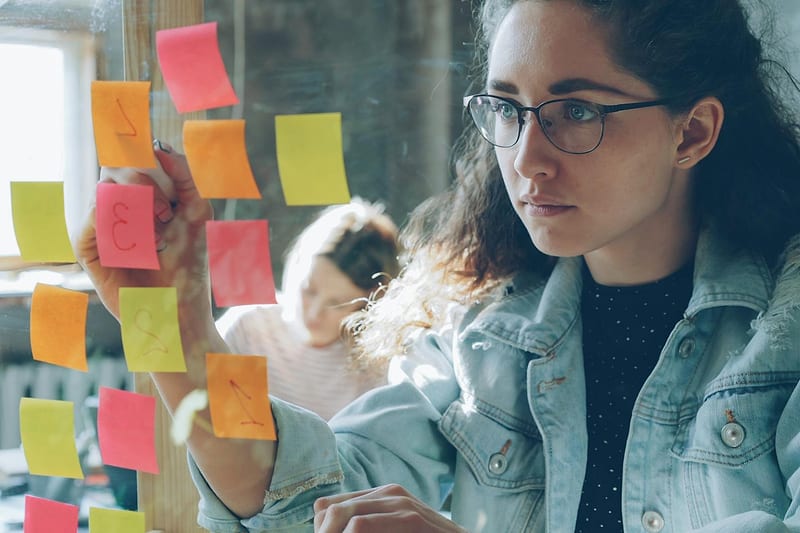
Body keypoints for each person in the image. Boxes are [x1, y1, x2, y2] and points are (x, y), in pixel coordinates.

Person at [73, 0, 800, 531]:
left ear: (693, 131)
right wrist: (173, 328)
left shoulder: (783, 332)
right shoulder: (482, 333)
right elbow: (305, 491)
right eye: (509, 108)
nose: (526, 159)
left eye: (577, 111)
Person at [214, 199, 401, 421]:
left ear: (367, 305)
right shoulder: (248, 330)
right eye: (309, 290)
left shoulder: (375, 365)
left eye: (336, 303)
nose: (313, 313)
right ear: (296, 262)